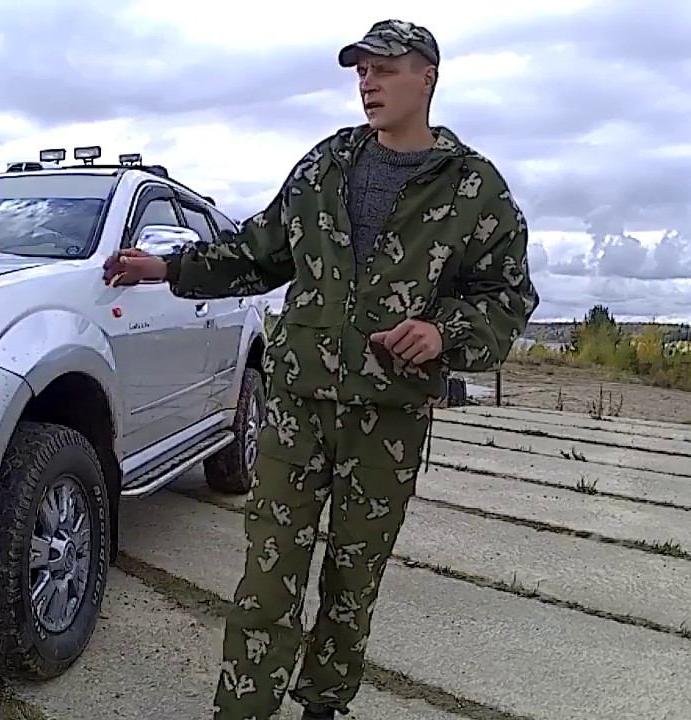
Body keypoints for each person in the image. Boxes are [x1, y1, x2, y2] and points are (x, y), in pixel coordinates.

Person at [103, 18, 539, 720]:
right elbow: (258, 252)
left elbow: (508, 296)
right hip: (297, 404)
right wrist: (167, 268)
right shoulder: (324, 166)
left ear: (427, 76)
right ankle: (243, 709)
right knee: (268, 574)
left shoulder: (472, 186)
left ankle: (324, 703)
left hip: (388, 416)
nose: (368, 82)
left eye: (384, 68)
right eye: (361, 70)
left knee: (353, 577)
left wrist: (443, 331)